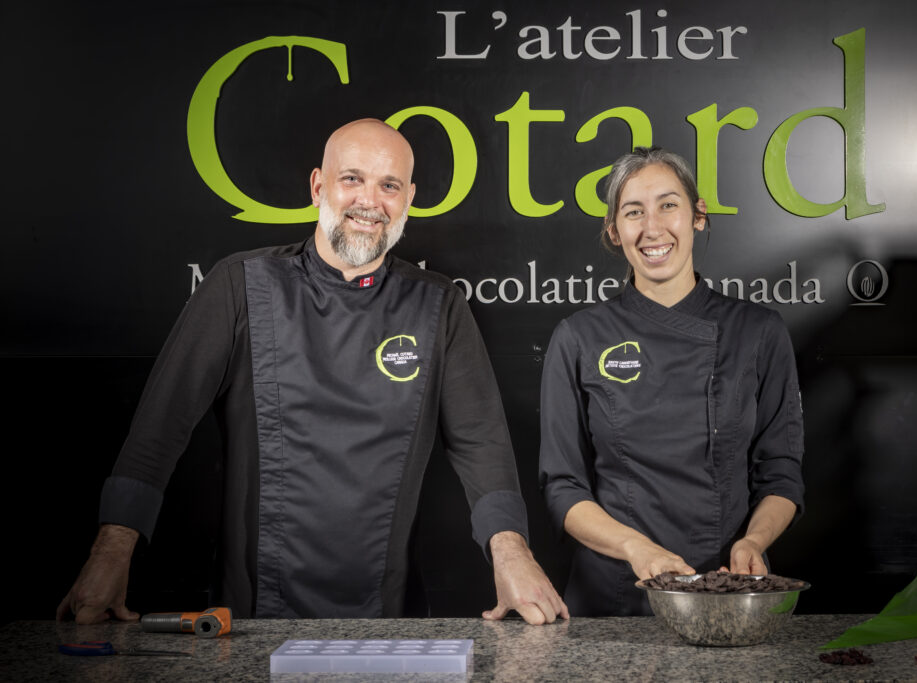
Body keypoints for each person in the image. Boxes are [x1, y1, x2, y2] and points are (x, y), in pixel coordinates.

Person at [58, 118, 568, 625]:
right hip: (254, 619)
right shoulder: (240, 286)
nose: (370, 201)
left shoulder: (438, 305)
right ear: (318, 187)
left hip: (386, 619)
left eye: (389, 186)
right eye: (352, 179)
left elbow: (481, 442)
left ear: (408, 199)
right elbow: (159, 429)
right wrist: (110, 556)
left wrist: (512, 555)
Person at [538, 147, 804, 616]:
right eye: (633, 212)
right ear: (614, 231)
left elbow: (781, 472)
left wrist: (754, 542)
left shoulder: (759, 331)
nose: (652, 227)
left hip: (728, 586)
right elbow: (563, 487)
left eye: (668, 205)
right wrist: (635, 548)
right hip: (617, 595)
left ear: (698, 216)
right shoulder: (578, 337)